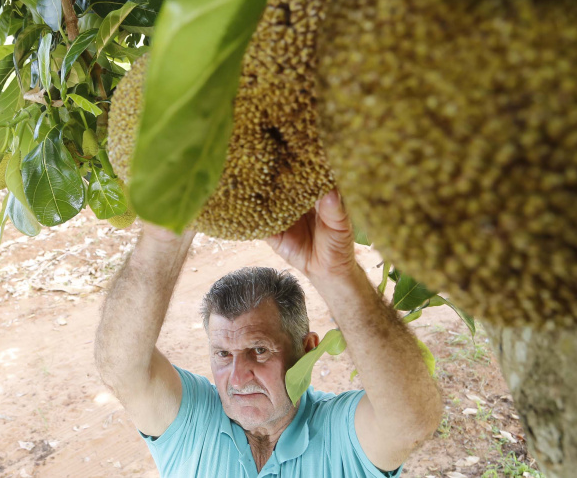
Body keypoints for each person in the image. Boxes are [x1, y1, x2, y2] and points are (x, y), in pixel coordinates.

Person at [94, 190, 442, 477]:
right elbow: (122, 367)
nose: (237, 377)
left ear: (307, 349)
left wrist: (338, 275)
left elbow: (409, 423)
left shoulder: (339, 432)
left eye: (259, 350)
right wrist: (168, 228)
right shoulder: (194, 420)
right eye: (222, 354)